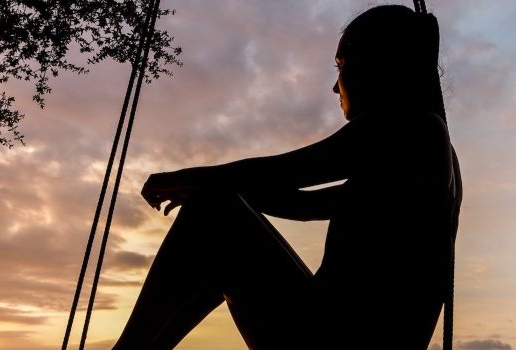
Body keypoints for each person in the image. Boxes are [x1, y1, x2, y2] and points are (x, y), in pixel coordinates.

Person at [112, 4, 462, 350]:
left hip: (335, 340)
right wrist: (205, 189)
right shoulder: (423, 144)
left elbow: (287, 171)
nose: (334, 87)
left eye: (340, 65)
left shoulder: (410, 127)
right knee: (215, 216)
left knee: (213, 211)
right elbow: (302, 202)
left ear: (378, 62)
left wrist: (183, 179)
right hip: (334, 331)